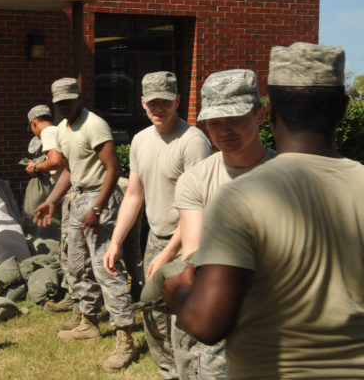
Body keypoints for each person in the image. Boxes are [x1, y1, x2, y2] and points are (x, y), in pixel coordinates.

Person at [163, 42, 364, 378]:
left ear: (267, 113)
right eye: (215, 122)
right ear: (345, 109)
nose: (224, 129)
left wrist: (177, 292)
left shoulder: (242, 196)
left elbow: (208, 323)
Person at [148, 69, 275, 379]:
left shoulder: (287, 175)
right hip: (216, 309)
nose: (224, 131)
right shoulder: (196, 179)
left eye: (234, 119)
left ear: (259, 115)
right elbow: (194, 253)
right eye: (215, 123)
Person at [103, 71, 211, 379]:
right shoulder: (140, 140)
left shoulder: (193, 142)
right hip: (156, 240)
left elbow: (199, 207)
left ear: (178, 100)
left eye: (165, 102)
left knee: (184, 321)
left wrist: (169, 253)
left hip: (189, 243)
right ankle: (169, 372)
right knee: (152, 315)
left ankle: (191, 372)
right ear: (142, 103)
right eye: (152, 103)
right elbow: (134, 195)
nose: (158, 109)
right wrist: (115, 242)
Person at [34, 77, 135, 372]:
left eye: (69, 100)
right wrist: (52, 200)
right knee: (76, 265)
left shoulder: (94, 125)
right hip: (78, 200)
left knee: (106, 268)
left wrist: (97, 207)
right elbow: (68, 170)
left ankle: (124, 337)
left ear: (78, 97)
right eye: (59, 103)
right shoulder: (63, 129)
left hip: (98, 199)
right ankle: (89, 322)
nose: (65, 106)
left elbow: (113, 168)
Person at [24, 105, 73, 312]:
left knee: (69, 248)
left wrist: (36, 167)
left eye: (32, 127)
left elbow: (56, 161)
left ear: (34, 122)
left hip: (72, 194)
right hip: (70, 192)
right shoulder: (59, 129)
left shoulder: (48, 132)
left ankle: (72, 296)